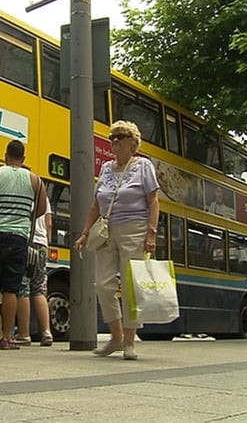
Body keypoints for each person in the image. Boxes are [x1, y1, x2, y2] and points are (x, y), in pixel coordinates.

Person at [74, 120, 160, 360]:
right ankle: (116, 336)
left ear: (133, 142)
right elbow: (95, 204)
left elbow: (153, 201)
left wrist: (151, 233)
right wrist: (85, 233)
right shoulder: (105, 168)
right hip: (106, 230)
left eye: (120, 136)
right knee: (103, 284)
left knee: (131, 285)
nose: (114, 141)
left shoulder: (143, 166)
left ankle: (129, 342)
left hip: (135, 229)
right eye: (112, 137)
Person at [0, 140, 47, 350]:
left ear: (5, 156)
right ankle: (7, 338)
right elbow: (41, 209)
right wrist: (22, 217)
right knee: (11, 289)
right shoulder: (35, 180)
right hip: (18, 238)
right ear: (23, 158)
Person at [14, 195, 54, 347]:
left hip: (26, 242)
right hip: (42, 244)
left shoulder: (22, 193)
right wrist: (46, 242)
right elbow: (49, 224)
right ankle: (46, 332)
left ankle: (24, 334)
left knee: (23, 288)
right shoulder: (44, 197)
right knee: (39, 289)